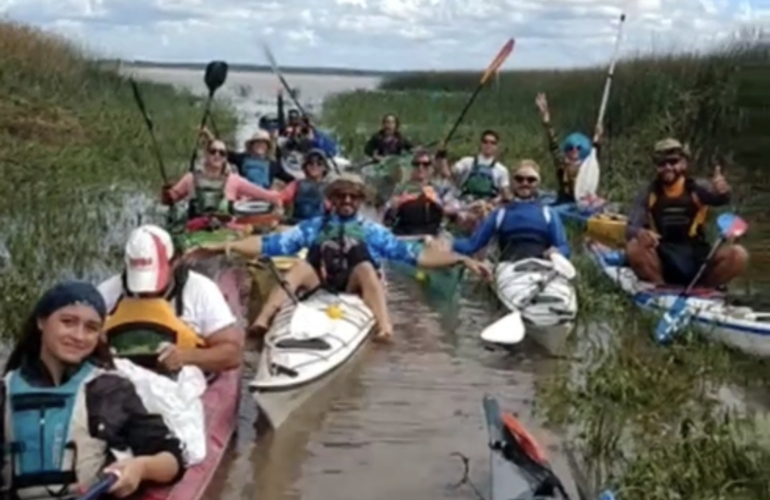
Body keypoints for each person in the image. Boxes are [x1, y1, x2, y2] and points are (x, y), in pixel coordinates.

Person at [196, 174, 487, 341]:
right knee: (298, 265)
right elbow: (271, 243)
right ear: (332, 200)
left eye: (352, 197)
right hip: (320, 282)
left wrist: (460, 259)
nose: (346, 201)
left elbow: (417, 256)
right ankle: (262, 321)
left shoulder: (373, 230)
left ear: (359, 201)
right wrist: (226, 248)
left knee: (364, 264)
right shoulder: (315, 226)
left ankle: (385, 328)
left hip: (354, 288)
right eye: (341, 197)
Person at [1, 281, 184, 498]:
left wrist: (141, 467)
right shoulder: (5, 390)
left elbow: (172, 459)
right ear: (41, 321)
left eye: (91, 328)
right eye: (68, 322)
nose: (79, 336)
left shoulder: (109, 389)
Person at [97, 225, 244, 373]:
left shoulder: (201, 290)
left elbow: (232, 354)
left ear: (175, 262)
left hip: (183, 385)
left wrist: (187, 357)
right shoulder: (108, 292)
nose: (147, 292)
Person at [625, 138, 748, 287]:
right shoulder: (648, 192)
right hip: (662, 255)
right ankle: (660, 289)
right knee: (633, 248)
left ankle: (705, 289)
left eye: (673, 162)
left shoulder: (698, 187)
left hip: (695, 255)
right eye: (662, 164)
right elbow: (630, 228)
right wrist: (640, 233)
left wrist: (724, 192)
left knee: (738, 255)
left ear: (683, 163)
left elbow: (720, 199)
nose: (668, 167)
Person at [452, 160, 570, 261]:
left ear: (537, 183)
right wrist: (443, 241)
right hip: (509, 268)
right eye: (519, 179)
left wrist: (557, 252)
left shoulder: (548, 213)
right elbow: (472, 245)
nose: (525, 183)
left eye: (531, 180)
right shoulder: (500, 214)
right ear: (512, 182)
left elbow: (563, 247)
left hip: (543, 266)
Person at [161, 139, 282, 219]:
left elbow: (264, 194)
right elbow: (169, 199)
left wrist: (278, 197)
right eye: (213, 151)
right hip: (194, 231)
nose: (217, 155)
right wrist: (167, 193)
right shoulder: (190, 178)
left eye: (222, 153)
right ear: (206, 155)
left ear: (225, 158)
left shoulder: (234, 180)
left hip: (226, 234)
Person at [535, 92, 602, 204]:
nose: (574, 150)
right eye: (571, 148)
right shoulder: (562, 164)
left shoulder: (588, 165)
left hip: (583, 203)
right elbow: (553, 145)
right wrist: (546, 121)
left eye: (578, 148)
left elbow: (595, 152)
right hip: (564, 203)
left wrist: (598, 138)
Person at [383, 149, 459, 236]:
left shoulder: (441, 187)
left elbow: (454, 208)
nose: (420, 168)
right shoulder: (400, 188)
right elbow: (386, 215)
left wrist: (437, 202)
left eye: (425, 164)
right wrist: (397, 204)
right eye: (416, 164)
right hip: (405, 233)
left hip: (433, 233)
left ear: (431, 168)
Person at [200, 128, 296, 190]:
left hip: (265, 199)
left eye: (263, 144)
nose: (260, 146)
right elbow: (222, 152)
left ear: (267, 147)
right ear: (252, 146)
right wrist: (209, 136)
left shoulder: (273, 165)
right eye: (257, 143)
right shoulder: (242, 158)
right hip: (244, 198)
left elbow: (290, 179)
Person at [439, 129, 512, 204]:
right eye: (485, 142)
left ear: (497, 146)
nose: (488, 145)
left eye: (492, 143)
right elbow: (447, 174)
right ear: (480, 144)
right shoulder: (466, 162)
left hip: (488, 206)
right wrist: (442, 155)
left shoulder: (501, 170)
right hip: (465, 203)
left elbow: (505, 194)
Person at [278, 148, 331, 223]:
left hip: (319, 226)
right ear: (305, 166)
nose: (314, 166)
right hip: (297, 224)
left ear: (325, 168)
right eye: (310, 163)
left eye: (319, 163)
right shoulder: (296, 184)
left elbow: (333, 208)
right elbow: (281, 197)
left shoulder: (330, 188)